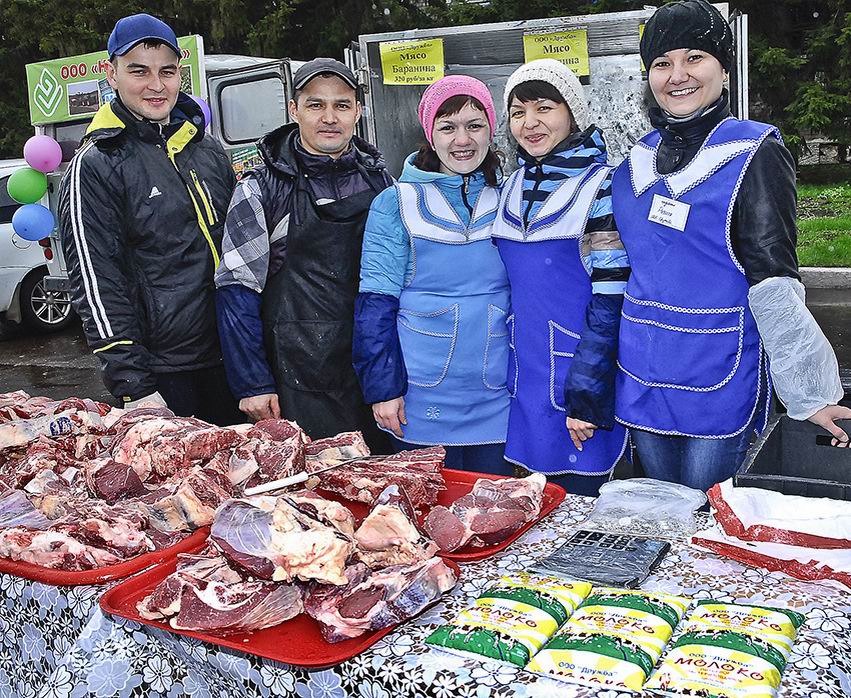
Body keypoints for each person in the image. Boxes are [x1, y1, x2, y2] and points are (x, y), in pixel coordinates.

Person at [610, 0, 851, 491]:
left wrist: (810, 392)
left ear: (723, 66)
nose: (677, 75)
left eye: (694, 57)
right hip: (643, 369)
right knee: (657, 514)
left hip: (718, 373)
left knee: (709, 521)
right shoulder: (634, 160)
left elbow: (775, 279)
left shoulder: (754, 151)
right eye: (661, 63)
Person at [59, 13, 241, 425]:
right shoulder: (98, 163)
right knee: (182, 487)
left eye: (167, 71)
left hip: (231, 357)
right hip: (162, 373)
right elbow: (94, 280)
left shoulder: (206, 151)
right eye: (138, 71)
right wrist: (132, 383)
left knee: (247, 481)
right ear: (112, 73)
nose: (156, 86)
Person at [215, 58, 393, 448]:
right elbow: (236, 290)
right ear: (293, 110)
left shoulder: (382, 182)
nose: (329, 117)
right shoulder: (260, 188)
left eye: (342, 105)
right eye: (316, 105)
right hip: (295, 378)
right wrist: (252, 381)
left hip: (371, 374)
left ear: (358, 112)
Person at [353, 76, 512, 474]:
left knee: (494, 512)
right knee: (430, 515)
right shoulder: (396, 203)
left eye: (475, 125)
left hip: (498, 395)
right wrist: (383, 389)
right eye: (448, 127)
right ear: (430, 134)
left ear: (491, 130)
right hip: (420, 397)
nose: (463, 139)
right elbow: (375, 306)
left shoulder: (511, 196)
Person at [491, 59, 630, 495]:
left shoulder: (600, 186)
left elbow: (612, 298)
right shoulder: (509, 187)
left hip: (581, 378)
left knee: (581, 518)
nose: (529, 123)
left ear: (572, 113)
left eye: (544, 108)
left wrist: (587, 396)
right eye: (517, 112)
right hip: (526, 372)